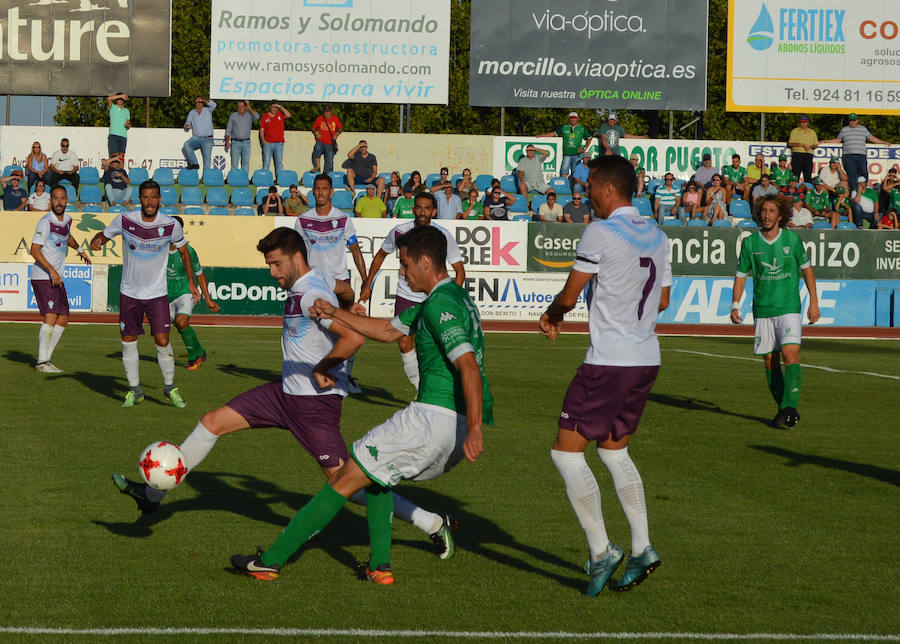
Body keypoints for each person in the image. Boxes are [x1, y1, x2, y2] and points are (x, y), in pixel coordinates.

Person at [114, 228, 457, 561]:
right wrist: (351, 304)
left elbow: (353, 340)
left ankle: (433, 522)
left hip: (313, 407)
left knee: (347, 484)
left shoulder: (310, 296)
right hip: (283, 394)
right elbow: (345, 290)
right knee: (211, 423)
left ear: (297, 257)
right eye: (269, 266)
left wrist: (325, 366)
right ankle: (152, 495)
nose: (272, 273)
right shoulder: (316, 279)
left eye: (277, 264)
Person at [231, 225, 492, 583]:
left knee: (344, 478)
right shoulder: (450, 299)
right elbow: (385, 331)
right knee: (377, 474)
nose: (401, 271)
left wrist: (476, 428)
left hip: (433, 419)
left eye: (404, 264)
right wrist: (334, 312)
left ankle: (271, 561)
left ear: (426, 262)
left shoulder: (440, 305)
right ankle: (380, 567)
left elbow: (469, 367)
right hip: (453, 425)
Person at [539, 154, 671, 596]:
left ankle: (601, 552)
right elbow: (664, 300)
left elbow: (571, 293)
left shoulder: (600, 229)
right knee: (614, 454)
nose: (587, 193)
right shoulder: (657, 233)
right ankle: (643, 547)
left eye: (592, 185)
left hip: (609, 361)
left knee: (566, 453)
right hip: (645, 357)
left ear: (610, 189)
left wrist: (552, 314)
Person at [90, 180, 199, 408]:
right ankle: (135, 390)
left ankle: (170, 388)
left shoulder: (170, 225)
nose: (150, 202)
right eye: (146, 197)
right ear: (140, 198)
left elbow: (185, 253)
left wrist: (191, 281)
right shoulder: (125, 219)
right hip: (129, 292)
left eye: (154, 197)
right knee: (129, 341)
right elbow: (105, 234)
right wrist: (97, 239)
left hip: (157, 294)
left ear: (160, 199)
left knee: (162, 340)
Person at [358, 191, 466, 390]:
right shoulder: (400, 231)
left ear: (434, 211)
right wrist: (367, 284)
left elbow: (459, 270)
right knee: (404, 343)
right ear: (413, 209)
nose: (422, 212)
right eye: (419, 208)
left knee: (435, 345)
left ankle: (446, 385)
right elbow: (381, 255)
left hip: (432, 298)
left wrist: (453, 297)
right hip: (405, 295)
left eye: (427, 208)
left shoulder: (442, 235)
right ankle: (420, 389)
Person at [730, 194, 819, 429]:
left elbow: (807, 270)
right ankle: (785, 411)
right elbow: (741, 276)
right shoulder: (750, 243)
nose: (766, 215)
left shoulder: (793, 240)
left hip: (788, 306)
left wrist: (814, 302)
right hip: (762, 309)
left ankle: (789, 408)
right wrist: (735, 304)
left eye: (771, 211)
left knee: (791, 355)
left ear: (781, 216)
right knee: (770, 360)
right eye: (764, 211)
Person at [295, 173, 368, 394]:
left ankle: (345, 377)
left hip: (340, 284)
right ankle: (317, 374)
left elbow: (355, 249)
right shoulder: (302, 220)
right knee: (317, 335)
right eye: (317, 188)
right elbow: (297, 253)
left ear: (331, 192)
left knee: (349, 330)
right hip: (314, 285)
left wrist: (365, 281)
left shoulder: (344, 219)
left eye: (324, 188)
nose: (320, 192)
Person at [30, 185, 91, 373]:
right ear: (51, 201)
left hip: (56, 277)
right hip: (43, 276)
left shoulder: (67, 220)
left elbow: (67, 236)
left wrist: (80, 250)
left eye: (62, 198)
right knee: (50, 316)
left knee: (64, 317)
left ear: (66, 200)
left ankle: (46, 359)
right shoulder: (45, 222)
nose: (59, 202)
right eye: (55, 198)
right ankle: (42, 362)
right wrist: (51, 270)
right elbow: (34, 250)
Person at [166, 215, 218, 369]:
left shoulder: (188, 251)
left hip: (185, 291)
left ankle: (193, 357)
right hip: (166, 295)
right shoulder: (159, 249)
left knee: (181, 321)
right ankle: (200, 351)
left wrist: (208, 299)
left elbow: (199, 275)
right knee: (176, 325)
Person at [822, 113, 893, 183]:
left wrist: (884, 142)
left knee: (864, 173)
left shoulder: (863, 129)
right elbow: (838, 140)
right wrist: (824, 141)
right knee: (851, 174)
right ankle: (853, 191)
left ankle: (863, 190)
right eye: (850, 120)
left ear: (857, 120)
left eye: (854, 120)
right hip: (848, 156)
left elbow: (871, 138)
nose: (852, 121)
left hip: (861, 155)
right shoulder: (844, 129)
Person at [538, 112, 591, 179]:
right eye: (571, 118)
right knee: (564, 171)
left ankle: (574, 188)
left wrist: (585, 148)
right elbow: (554, 133)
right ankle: (564, 187)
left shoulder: (581, 128)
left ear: (577, 119)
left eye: (574, 118)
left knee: (576, 173)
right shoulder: (565, 128)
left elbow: (589, 138)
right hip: (567, 154)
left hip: (577, 154)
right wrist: (542, 136)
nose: (572, 120)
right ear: (569, 119)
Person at [182, 97, 217, 172]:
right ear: (195, 104)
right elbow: (187, 122)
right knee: (186, 145)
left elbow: (214, 105)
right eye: (197, 102)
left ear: (203, 103)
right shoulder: (192, 112)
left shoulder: (208, 110)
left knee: (207, 160)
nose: (199, 103)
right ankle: (194, 163)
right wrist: (187, 125)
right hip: (196, 138)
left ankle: (206, 179)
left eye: (200, 102)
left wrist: (204, 100)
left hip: (208, 139)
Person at [224, 100, 259, 172]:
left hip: (246, 143)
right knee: (234, 164)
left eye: (242, 106)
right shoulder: (233, 115)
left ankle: (244, 180)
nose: (240, 108)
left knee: (245, 164)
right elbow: (229, 128)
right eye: (239, 106)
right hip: (235, 143)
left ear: (245, 107)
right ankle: (234, 180)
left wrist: (249, 106)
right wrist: (227, 141)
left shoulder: (249, 116)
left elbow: (257, 116)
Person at [260, 100, 291, 178]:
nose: (275, 109)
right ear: (270, 107)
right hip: (268, 143)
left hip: (279, 143)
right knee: (266, 162)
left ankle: (279, 179)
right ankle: (264, 179)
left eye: (276, 107)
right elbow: (262, 129)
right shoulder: (265, 116)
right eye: (273, 107)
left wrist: (280, 107)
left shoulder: (281, 115)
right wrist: (263, 140)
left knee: (279, 163)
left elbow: (289, 115)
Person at [311, 104, 342, 175]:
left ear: (331, 112)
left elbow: (340, 128)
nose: (327, 113)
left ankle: (327, 176)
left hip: (330, 143)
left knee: (329, 161)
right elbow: (313, 128)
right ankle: (317, 166)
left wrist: (336, 134)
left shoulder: (335, 119)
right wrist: (316, 133)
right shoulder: (319, 118)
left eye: (328, 111)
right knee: (317, 151)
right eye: (325, 111)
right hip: (320, 141)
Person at [787, 115, 818, 184]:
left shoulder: (812, 132)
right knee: (795, 175)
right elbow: (790, 143)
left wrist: (810, 147)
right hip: (797, 155)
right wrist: (801, 145)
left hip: (808, 155)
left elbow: (816, 144)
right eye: (802, 122)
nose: (804, 123)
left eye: (805, 122)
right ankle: (795, 192)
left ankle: (808, 193)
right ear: (800, 122)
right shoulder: (795, 131)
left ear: (808, 123)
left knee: (807, 175)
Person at [106, 92, 131, 159]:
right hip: (113, 134)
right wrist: (121, 95)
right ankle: (111, 169)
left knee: (121, 157)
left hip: (123, 136)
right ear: (116, 100)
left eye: (121, 99)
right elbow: (109, 98)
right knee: (113, 156)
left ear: (123, 101)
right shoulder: (113, 108)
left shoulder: (126, 111)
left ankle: (121, 170)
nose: (120, 100)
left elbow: (128, 123)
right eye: (118, 99)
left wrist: (127, 125)